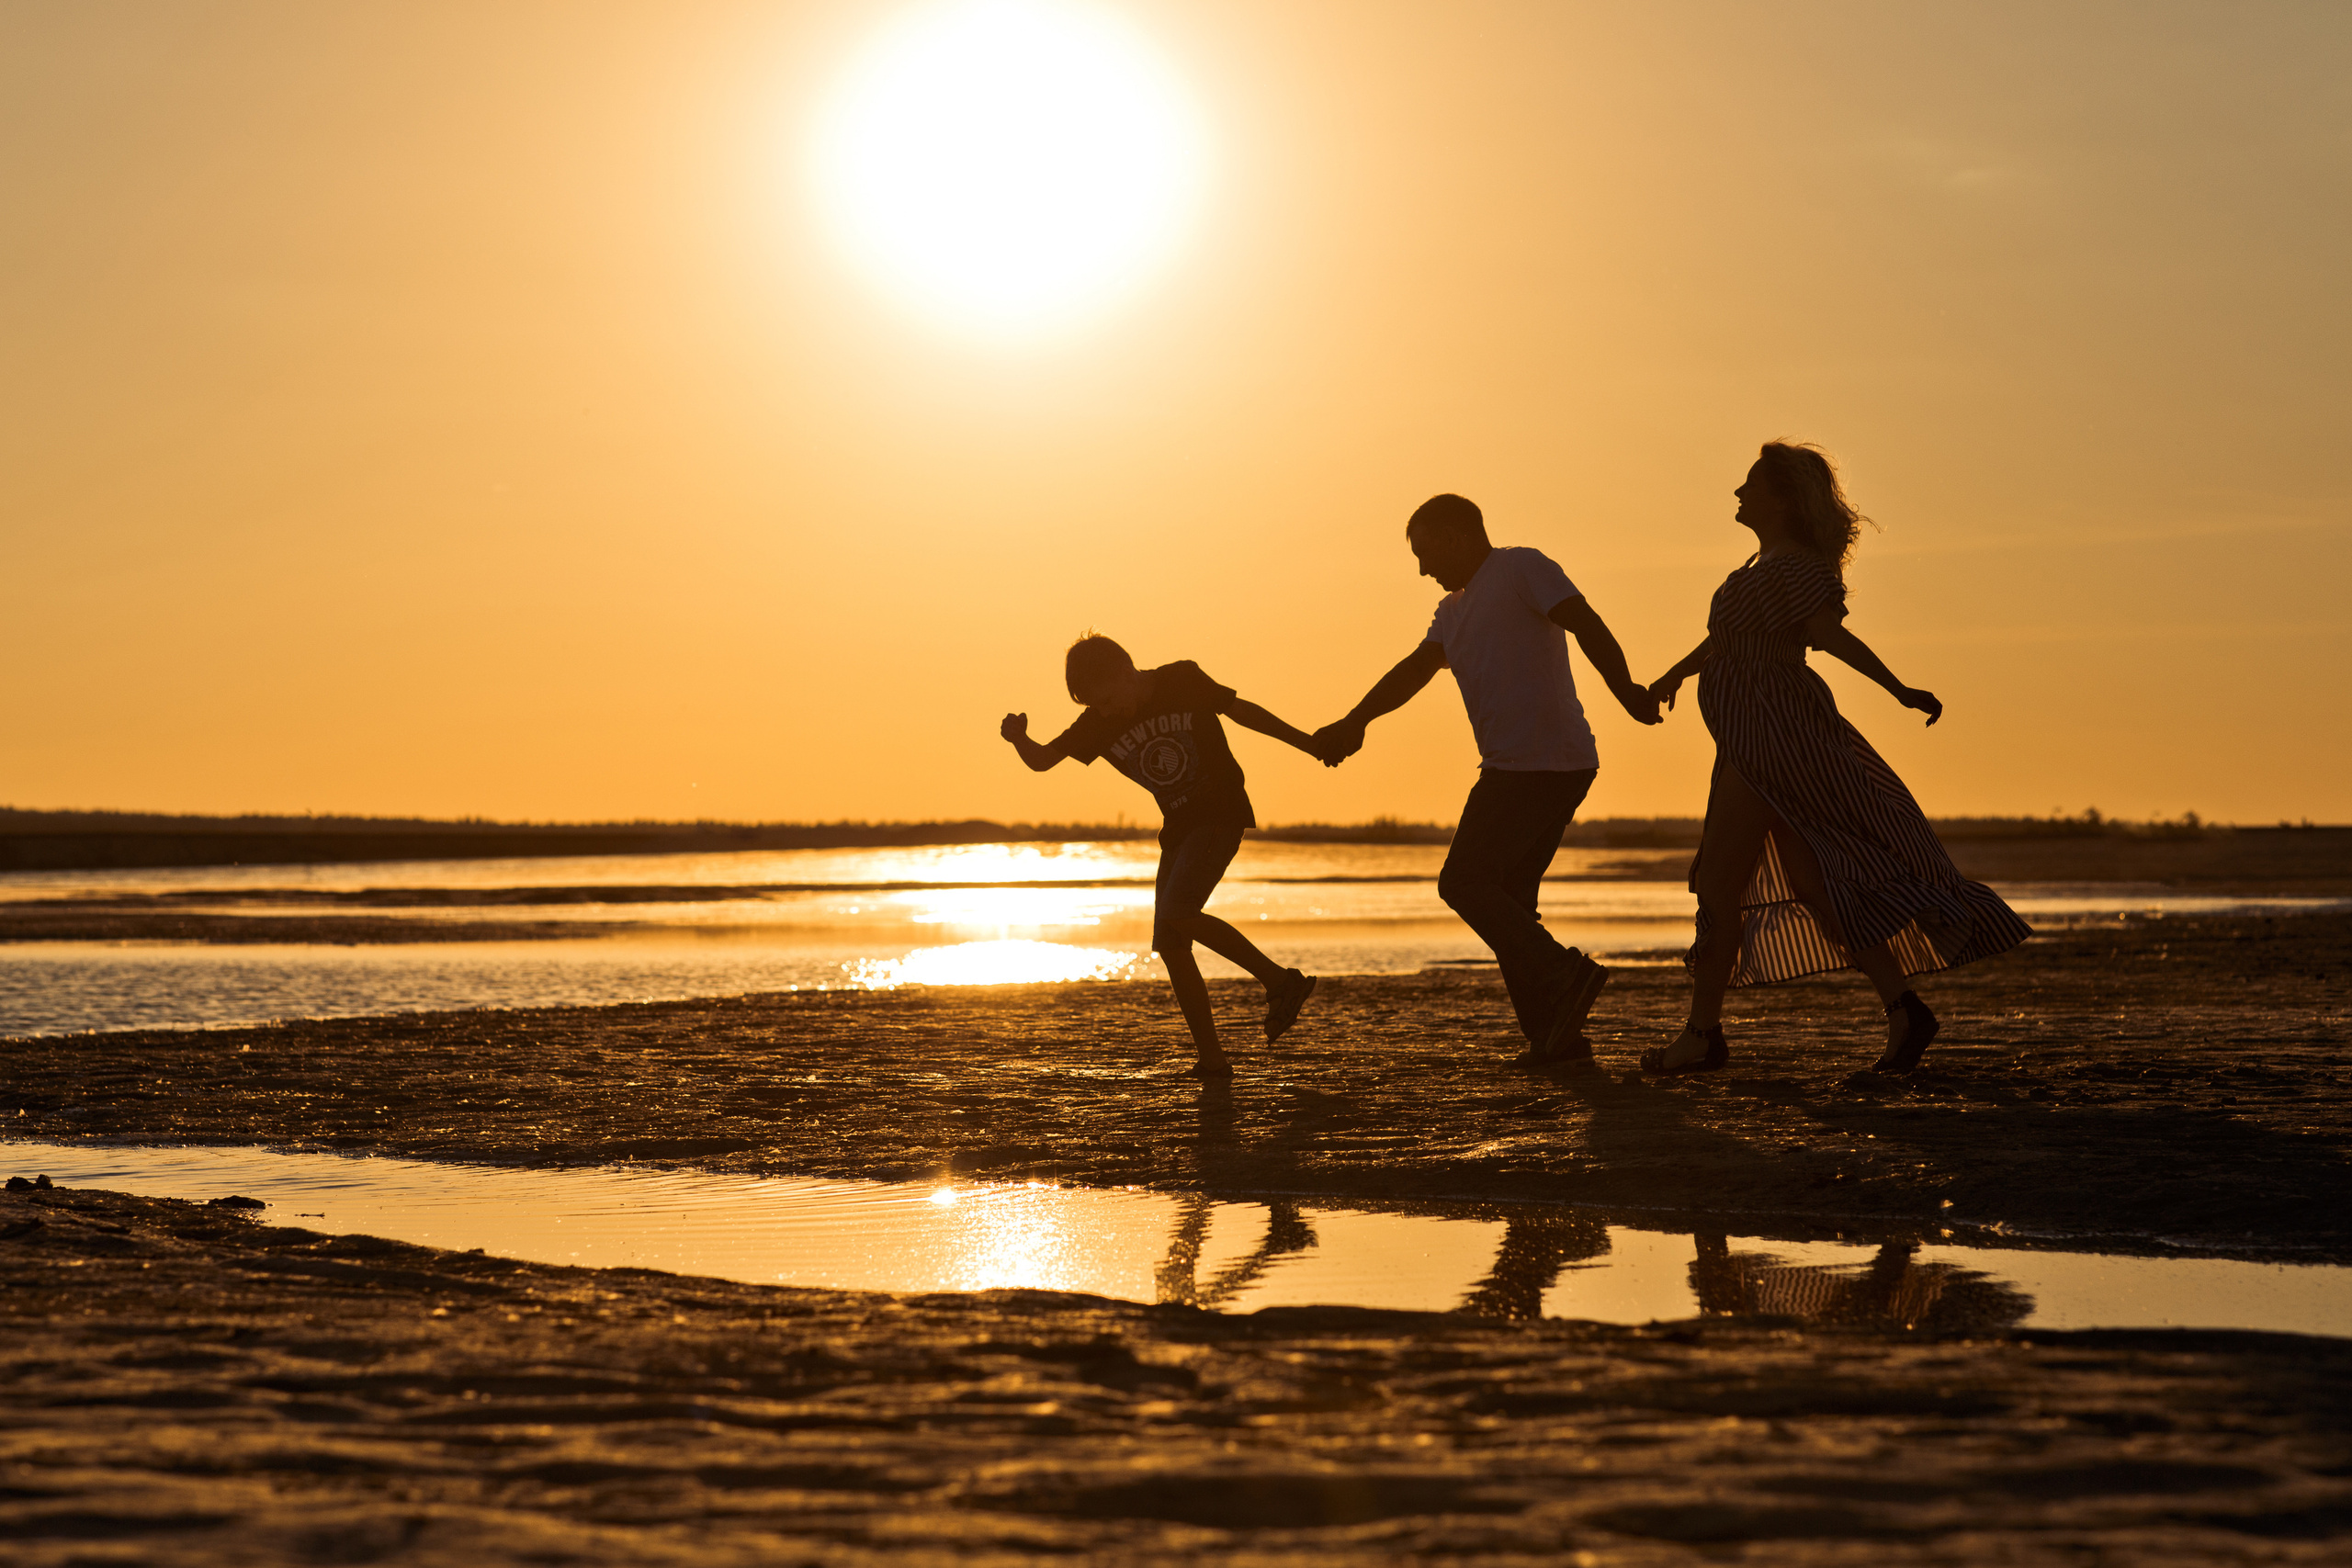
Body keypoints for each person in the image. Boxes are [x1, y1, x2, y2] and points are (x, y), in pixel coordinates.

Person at [1643, 442, 2030, 1075]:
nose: (1737, 494)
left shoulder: (1797, 570)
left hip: (1776, 735)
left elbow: (1828, 637)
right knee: (1815, 882)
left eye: (1749, 485)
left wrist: (1899, 688)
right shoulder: (1761, 565)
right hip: (1749, 735)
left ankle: (1701, 1036)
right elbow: (1725, 641)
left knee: (1719, 883)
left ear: (1782, 499)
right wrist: (1673, 675)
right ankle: (1904, 1009)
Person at [1312, 494, 1661, 1066]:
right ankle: (1557, 1040)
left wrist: (1625, 691)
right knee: (1512, 903)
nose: (1423, 569)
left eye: (1426, 553)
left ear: (1455, 535)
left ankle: (1563, 972)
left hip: (1543, 764)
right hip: (1521, 766)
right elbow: (1415, 669)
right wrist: (1356, 722)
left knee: (1464, 883)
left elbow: (1585, 621)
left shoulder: (1522, 567)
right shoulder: (1453, 612)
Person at [1001, 635, 1322, 1078]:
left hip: (1220, 814)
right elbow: (1042, 760)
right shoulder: (1096, 723)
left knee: (1178, 911)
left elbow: (1243, 712)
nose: (1110, 712)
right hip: (1177, 831)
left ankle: (1281, 983)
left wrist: (1307, 743)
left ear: (1127, 671)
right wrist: (1019, 739)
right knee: (1171, 945)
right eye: (1099, 706)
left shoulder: (1182, 679)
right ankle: (1213, 1060)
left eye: (1112, 699)